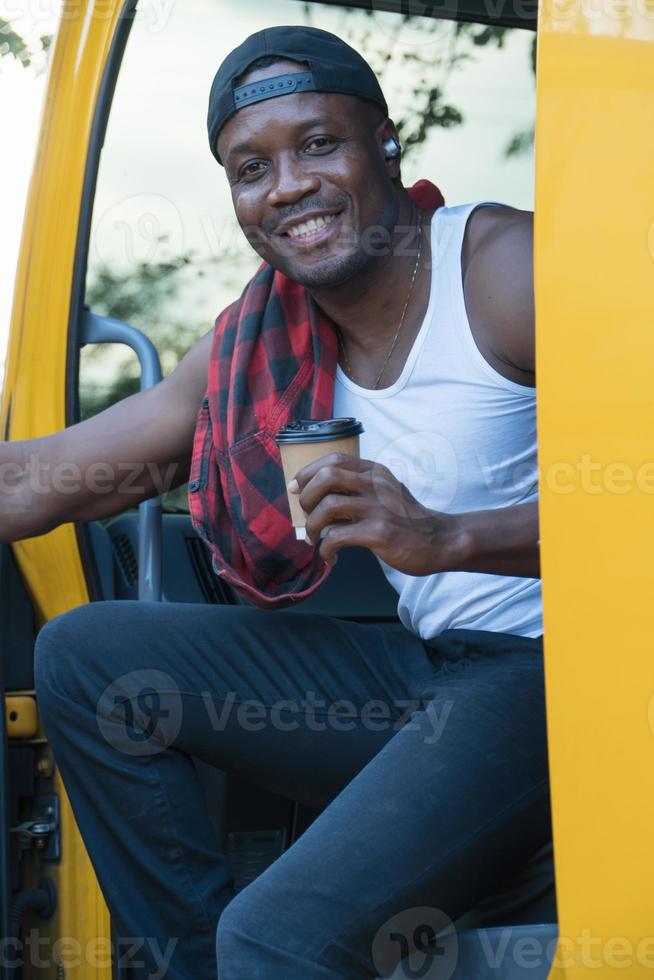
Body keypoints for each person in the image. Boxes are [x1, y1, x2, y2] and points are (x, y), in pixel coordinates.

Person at [1, 26, 551, 980]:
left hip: (560, 679)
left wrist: (450, 534)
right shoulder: (270, 332)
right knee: (89, 659)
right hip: (430, 673)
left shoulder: (506, 270)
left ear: (384, 142)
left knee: (279, 935)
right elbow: (44, 475)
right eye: (250, 167)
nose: (286, 185)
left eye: (318, 144)